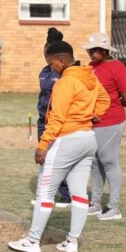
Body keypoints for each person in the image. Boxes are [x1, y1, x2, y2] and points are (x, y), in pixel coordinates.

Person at [9, 41, 110, 252]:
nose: (51, 68)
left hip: (66, 139)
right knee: (80, 193)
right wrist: (94, 114)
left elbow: (56, 118)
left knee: (45, 191)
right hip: (87, 138)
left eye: (52, 63)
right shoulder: (90, 75)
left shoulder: (65, 83)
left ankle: (32, 241)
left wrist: (43, 144)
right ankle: (72, 242)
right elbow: (104, 99)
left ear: (63, 60)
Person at [81, 32, 126, 221]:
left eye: (93, 50)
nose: (89, 52)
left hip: (111, 121)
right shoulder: (91, 67)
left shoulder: (118, 68)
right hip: (93, 122)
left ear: (103, 51)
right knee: (95, 162)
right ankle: (95, 203)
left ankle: (114, 207)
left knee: (109, 161)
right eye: (89, 49)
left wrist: (110, 106)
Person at [33, 27, 71, 208]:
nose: (45, 56)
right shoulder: (45, 71)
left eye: (47, 53)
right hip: (43, 119)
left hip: (57, 120)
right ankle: (45, 193)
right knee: (44, 158)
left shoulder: (63, 72)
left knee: (59, 158)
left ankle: (66, 194)